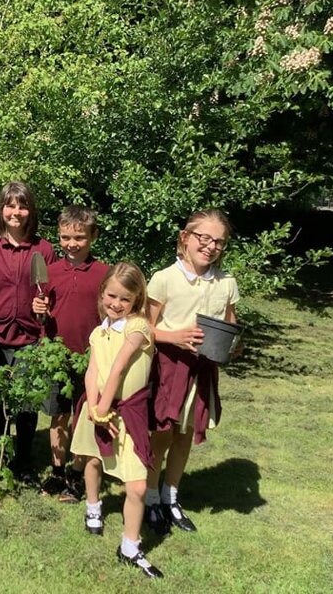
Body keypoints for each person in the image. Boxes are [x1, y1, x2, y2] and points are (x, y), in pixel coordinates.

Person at [144, 209, 240, 535]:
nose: (211, 246)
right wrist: (175, 336)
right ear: (185, 237)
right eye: (204, 238)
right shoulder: (164, 278)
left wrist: (234, 344)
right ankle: (150, 495)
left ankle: (171, 495)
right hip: (169, 367)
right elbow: (144, 327)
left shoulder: (226, 283)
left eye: (219, 242)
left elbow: (230, 323)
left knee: (184, 433)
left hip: (202, 369)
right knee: (162, 434)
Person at [69, 262, 163, 579]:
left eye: (126, 298)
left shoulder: (139, 327)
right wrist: (95, 409)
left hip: (127, 413)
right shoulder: (99, 332)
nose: (117, 304)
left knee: (136, 486)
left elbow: (120, 367)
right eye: (112, 296)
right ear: (102, 293)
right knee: (93, 459)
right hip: (99, 407)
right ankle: (93, 507)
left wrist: (104, 409)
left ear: (137, 300)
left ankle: (129, 546)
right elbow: (94, 371)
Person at [0, 181, 55, 483]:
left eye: (22, 205)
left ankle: (25, 460)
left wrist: (45, 306)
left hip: (30, 337)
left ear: (31, 211)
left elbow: (51, 294)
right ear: (1, 209)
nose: (16, 212)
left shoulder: (43, 250)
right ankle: (2, 451)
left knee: (28, 404)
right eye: (10, 205)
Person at [31, 206, 109, 499]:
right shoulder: (49, 273)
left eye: (79, 238)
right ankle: (57, 471)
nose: (71, 244)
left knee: (85, 416)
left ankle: (78, 472)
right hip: (57, 355)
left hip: (91, 357)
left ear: (93, 237)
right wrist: (38, 310)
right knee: (59, 415)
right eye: (65, 237)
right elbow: (41, 313)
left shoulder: (104, 274)